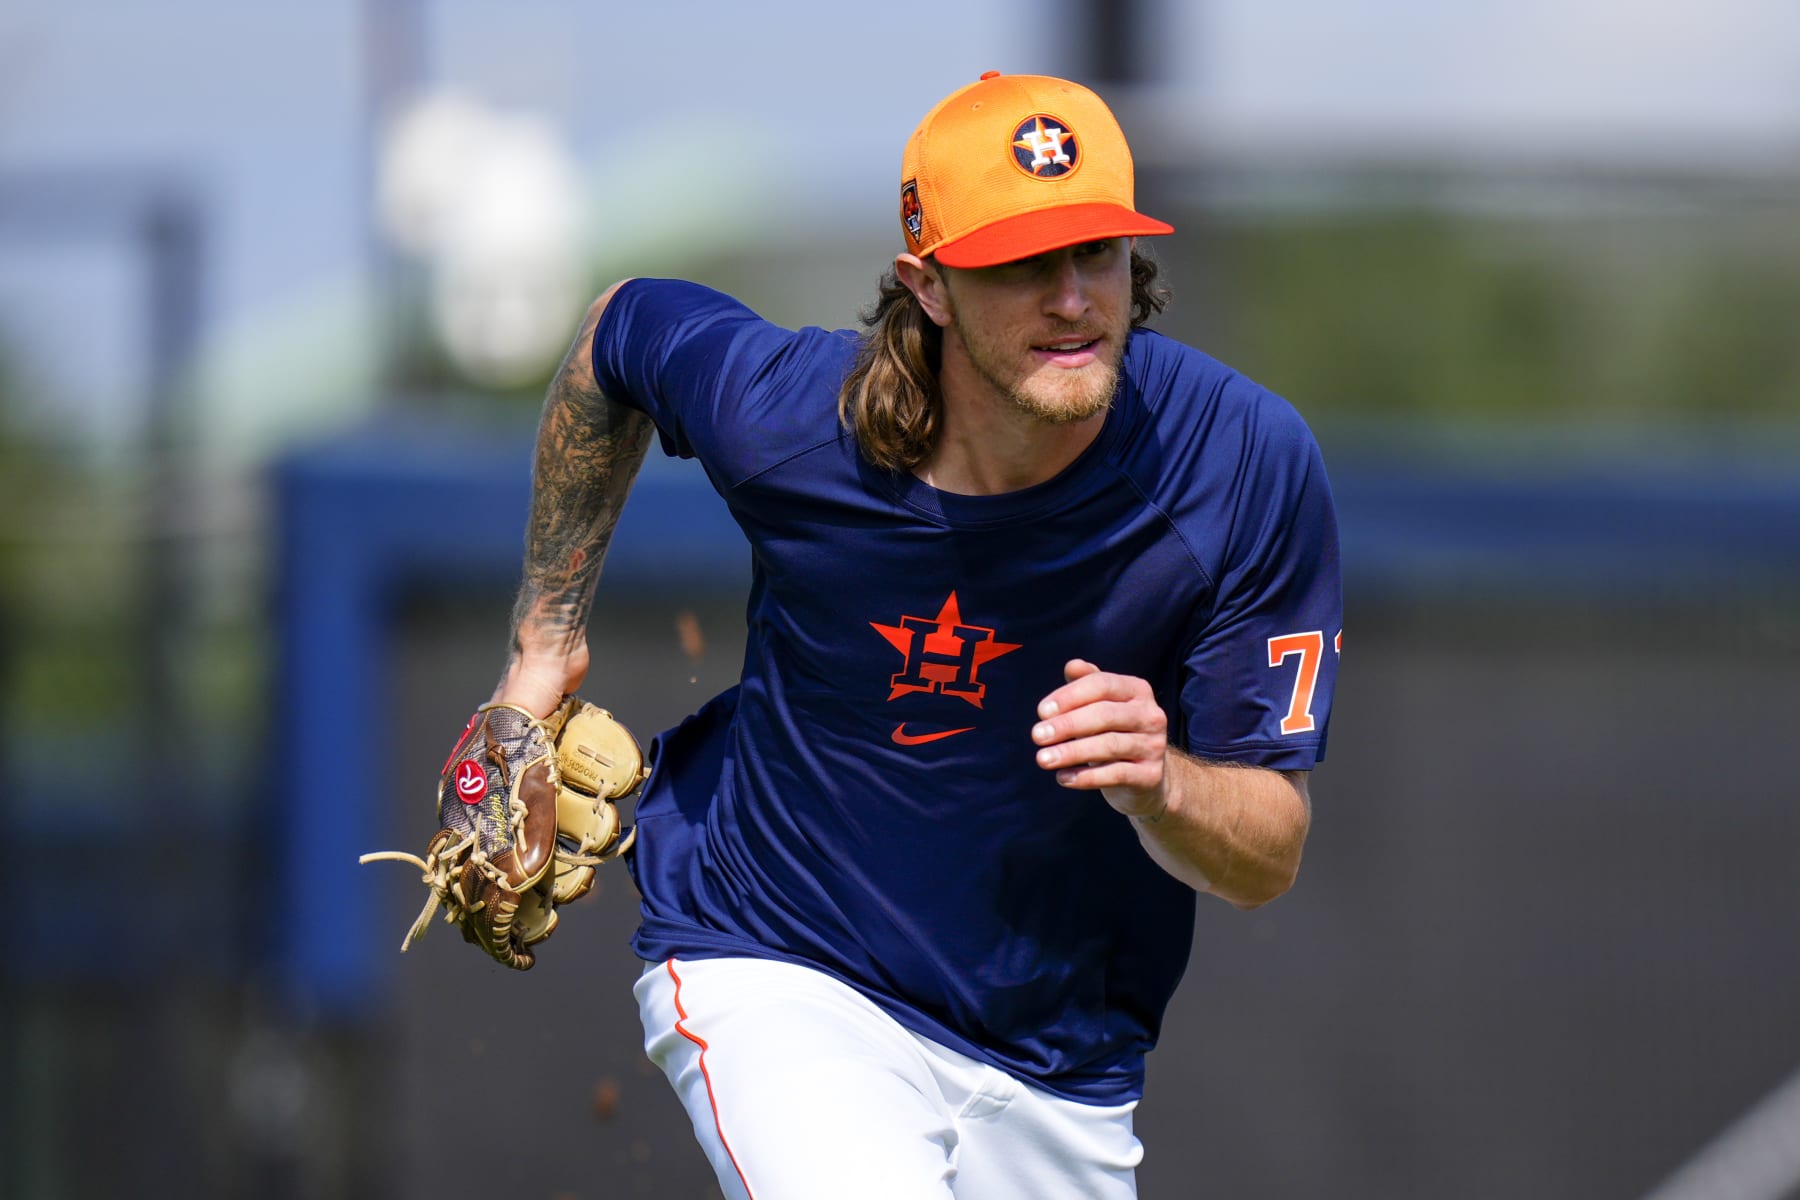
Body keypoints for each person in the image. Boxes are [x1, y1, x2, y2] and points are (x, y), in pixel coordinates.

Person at [489, 71, 1341, 1199]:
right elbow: (620, 332)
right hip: (785, 966)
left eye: (1096, 254)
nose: (1074, 299)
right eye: (1022, 263)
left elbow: (1269, 849)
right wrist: (544, 643)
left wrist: (1164, 783)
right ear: (928, 286)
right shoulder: (796, 417)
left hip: (1058, 1067)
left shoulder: (1238, 463)